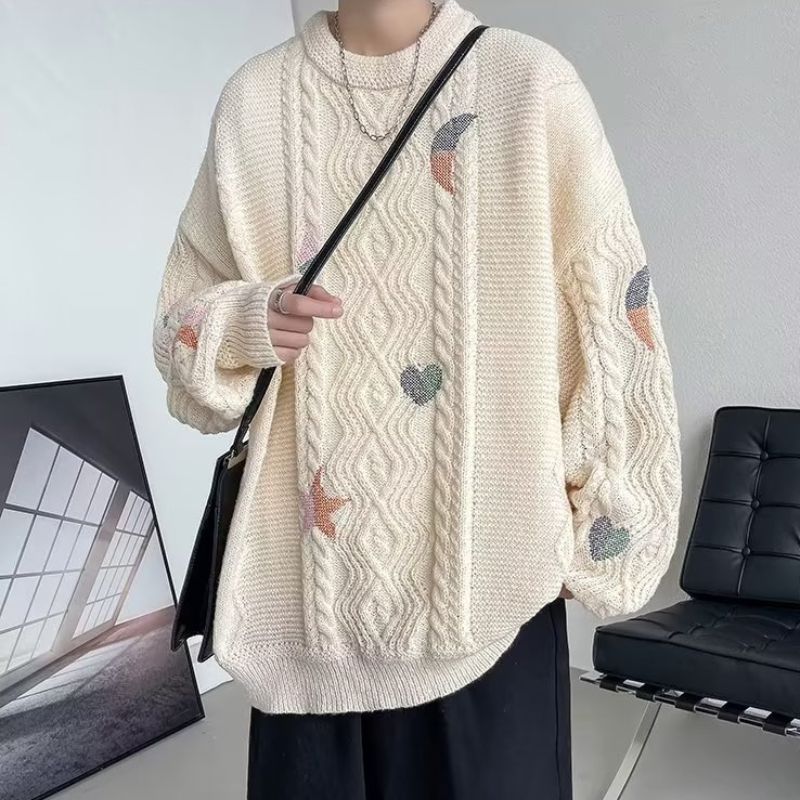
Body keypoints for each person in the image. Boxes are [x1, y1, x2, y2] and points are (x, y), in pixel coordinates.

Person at [151, 0, 682, 797]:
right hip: (303, 615)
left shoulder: (529, 85)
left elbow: (612, 315)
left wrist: (607, 530)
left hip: (489, 604)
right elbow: (179, 330)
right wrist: (247, 321)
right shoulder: (254, 103)